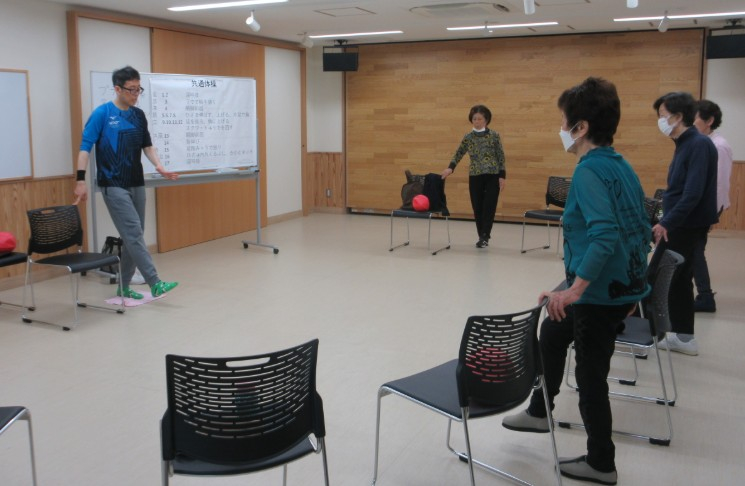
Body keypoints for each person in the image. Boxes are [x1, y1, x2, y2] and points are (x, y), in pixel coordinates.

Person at [501, 77, 651, 486]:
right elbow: (639, 229)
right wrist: (633, 289)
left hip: (599, 296)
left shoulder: (588, 172)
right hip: (617, 288)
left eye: (565, 122)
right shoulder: (621, 166)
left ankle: (601, 463)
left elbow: (605, 236)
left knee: (590, 378)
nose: (562, 129)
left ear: (581, 127)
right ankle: (540, 411)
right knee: (552, 332)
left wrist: (573, 291)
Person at [74, 66, 179, 300]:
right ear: (118, 89)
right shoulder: (102, 114)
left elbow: (147, 146)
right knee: (133, 232)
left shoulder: (138, 115)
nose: (136, 94)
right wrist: (80, 180)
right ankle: (155, 282)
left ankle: (123, 286)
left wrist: (159, 165)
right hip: (113, 184)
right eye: (131, 90)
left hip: (136, 182)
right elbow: (84, 149)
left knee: (135, 234)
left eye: (138, 89)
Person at [651, 92, 718, 355]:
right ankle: (684, 337)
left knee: (655, 278)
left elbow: (692, 193)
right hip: (682, 223)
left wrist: (666, 222)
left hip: (685, 226)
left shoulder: (698, 144)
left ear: (678, 117)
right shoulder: (684, 143)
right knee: (679, 281)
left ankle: (642, 336)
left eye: (663, 116)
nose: (660, 121)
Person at [441, 105, 506, 248]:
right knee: (477, 206)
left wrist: (502, 176)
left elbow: (500, 156)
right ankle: (481, 235)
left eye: (479, 119)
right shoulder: (468, 137)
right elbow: (459, 153)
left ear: (486, 120)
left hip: (492, 175)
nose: (476, 121)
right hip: (475, 175)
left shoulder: (494, 135)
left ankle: (485, 236)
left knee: (489, 206)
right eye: (474, 119)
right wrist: (450, 168)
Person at [691, 99, 733, 312]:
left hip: (706, 207)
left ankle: (706, 296)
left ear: (709, 121)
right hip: (702, 206)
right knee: (694, 249)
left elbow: (719, 183)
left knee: (696, 250)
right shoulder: (702, 142)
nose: (691, 122)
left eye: (695, 118)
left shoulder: (719, 146)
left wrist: (709, 212)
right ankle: (703, 294)